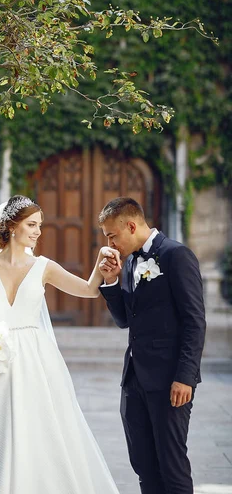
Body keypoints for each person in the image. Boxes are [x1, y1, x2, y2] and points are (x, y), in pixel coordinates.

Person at [0, 195, 119, 494]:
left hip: (36, 359)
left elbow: (89, 290)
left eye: (39, 225)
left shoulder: (44, 267)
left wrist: (100, 262)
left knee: (42, 427)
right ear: (11, 226)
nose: (38, 231)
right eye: (31, 224)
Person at [98, 196, 206, 494]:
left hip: (170, 381)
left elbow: (194, 321)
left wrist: (185, 377)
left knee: (171, 467)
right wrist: (110, 282)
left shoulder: (176, 255)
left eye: (112, 235)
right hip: (134, 380)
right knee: (144, 466)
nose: (109, 243)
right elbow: (125, 320)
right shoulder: (130, 260)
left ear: (131, 226)